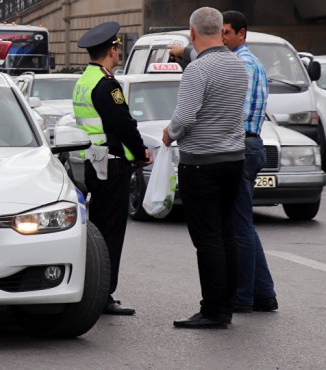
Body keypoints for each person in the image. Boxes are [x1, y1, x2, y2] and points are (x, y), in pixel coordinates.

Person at [163, 7, 248, 329]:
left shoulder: (198, 69)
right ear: (220, 31)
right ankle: (226, 304)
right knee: (227, 234)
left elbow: (184, 117)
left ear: (193, 33)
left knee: (208, 239)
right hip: (233, 159)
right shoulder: (237, 65)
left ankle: (212, 309)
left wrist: (169, 134)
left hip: (202, 162)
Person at [73, 22, 152, 316]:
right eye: (118, 48)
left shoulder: (84, 81)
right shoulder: (107, 85)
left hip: (94, 163)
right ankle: (103, 294)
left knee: (99, 227)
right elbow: (123, 123)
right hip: (113, 164)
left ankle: (93, 287)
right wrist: (142, 150)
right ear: (112, 50)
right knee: (111, 232)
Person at [221, 10, 278, 314]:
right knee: (243, 223)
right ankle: (264, 294)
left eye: (227, 32)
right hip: (251, 143)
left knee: (238, 225)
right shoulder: (252, 62)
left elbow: (236, 114)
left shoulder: (240, 64)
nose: (223, 37)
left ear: (242, 34)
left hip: (241, 144)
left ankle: (243, 296)